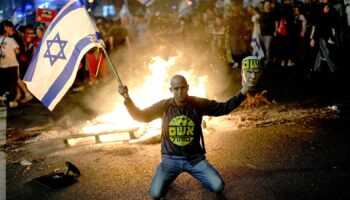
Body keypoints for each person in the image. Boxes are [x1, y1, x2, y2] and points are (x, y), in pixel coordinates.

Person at [118, 56, 262, 199]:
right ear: (171, 90)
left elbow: (224, 108)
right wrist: (127, 99)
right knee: (155, 194)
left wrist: (243, 91)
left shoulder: (198, 103)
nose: (180, 92)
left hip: (195, 159)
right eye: (176, 89)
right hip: (170, 159)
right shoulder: (164, 106)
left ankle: (196, 177)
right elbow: (141, 116)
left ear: (187, 88)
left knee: (218, 186)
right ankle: (167, 177)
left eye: (182, 88)